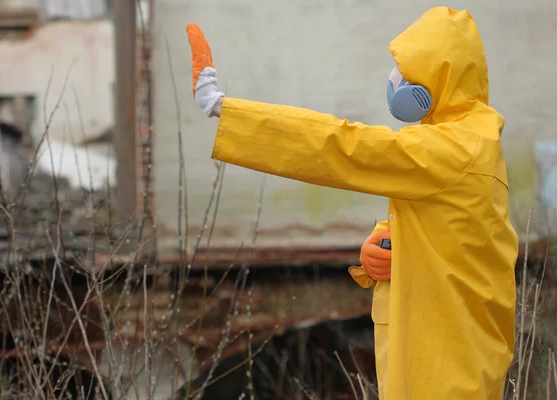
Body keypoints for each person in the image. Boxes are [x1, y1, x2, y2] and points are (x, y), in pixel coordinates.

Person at [186, 6, 518, 400]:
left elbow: (343, 146)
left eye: (411, 73)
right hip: (444, 353)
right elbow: (454, 226)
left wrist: (226, 108)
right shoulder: (467, 140)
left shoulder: (453, 149)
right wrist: (387, 241)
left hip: (447, 366)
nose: (397, 81)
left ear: (442, 80)